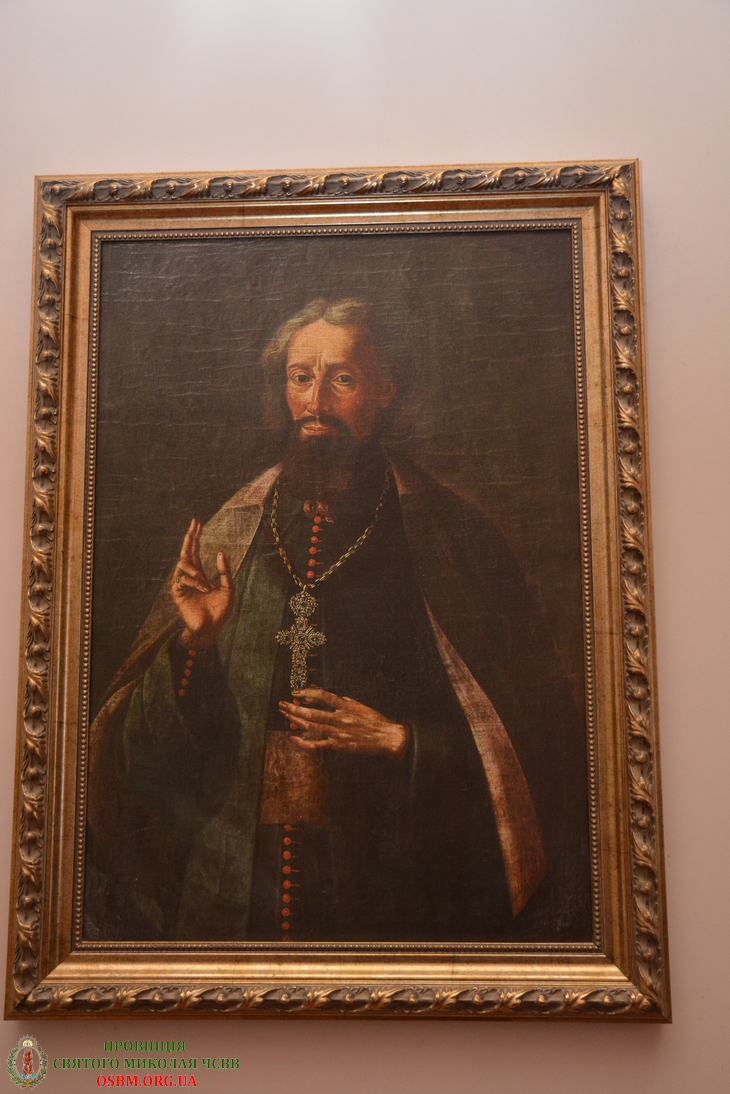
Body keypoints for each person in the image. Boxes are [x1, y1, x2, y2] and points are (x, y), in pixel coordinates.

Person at [86, 299, 591, 944]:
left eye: (342, 380)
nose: (315, 403)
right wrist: (195, 645)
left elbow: (541, 752)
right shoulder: (233, 532)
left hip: (391, 890)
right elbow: (140, 763)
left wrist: (400, 741)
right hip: (233, 892)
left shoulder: (454, 538)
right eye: (301, 378)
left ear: (385, 390)